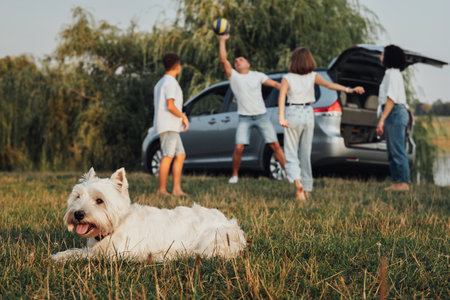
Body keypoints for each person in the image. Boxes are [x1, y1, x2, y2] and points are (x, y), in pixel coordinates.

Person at [278, 47, 364, 200]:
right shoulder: (313, 76)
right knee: (305, 153)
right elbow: (330, 86)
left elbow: (282, 97)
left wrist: (281, 118)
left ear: (294, 61)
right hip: (308, 113)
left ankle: (298, 183)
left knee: (291, 152)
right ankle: (307, 189)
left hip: (293, 113)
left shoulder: (287, 78)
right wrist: (349, 89)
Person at [219, 33, 286, 183]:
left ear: (248, 64)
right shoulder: (234, 77)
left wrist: (287, 89)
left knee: (275, 145)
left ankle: (288, 173)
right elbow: (224, 60)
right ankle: (235, 175)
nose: (237, 61)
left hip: (262, 116)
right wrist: (222, 41)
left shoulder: (257, 75)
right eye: (236, 61)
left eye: (241, 60)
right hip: (245, 118)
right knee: (239, 148)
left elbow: (275, 85)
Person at [153, 53, 189, 196]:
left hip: (170, 126)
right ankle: (161, 190)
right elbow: (171, 105)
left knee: (180, 155)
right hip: (169, 125)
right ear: (177, 66)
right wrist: (183, 116)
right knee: (168, 155)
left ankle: (176, 189)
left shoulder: (161, 82)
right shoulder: (171, 82)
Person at [376, 45, 411, 191]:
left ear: (389, 57)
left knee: (397, 150)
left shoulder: (392, 74)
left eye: (383, 54)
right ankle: (397, 182)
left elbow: (391, 99)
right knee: (392, 151)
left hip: (394, 112)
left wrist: (382, 120)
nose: (380, 57)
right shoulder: (391, 74)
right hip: (395, 112)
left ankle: (403, 182)